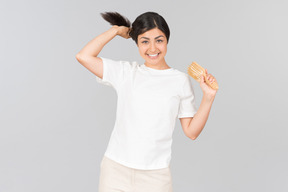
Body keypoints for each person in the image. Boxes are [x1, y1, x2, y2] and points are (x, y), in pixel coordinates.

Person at [76, 11, 218, 192]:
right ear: (136, 43)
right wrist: (116, 31)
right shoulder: (126, 73)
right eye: (144, 41)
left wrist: (208, 97)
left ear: (167, 40)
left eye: (159, 40)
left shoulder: (180, 80)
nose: (152, 48)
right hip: (115, 170)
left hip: (156, 177)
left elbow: (191, 132)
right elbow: (83, 56)